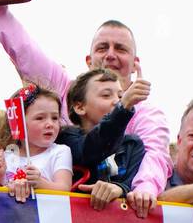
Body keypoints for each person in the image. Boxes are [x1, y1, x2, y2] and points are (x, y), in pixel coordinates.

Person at [0, 0, 169, 217]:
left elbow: (155, 157)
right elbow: (25, 50)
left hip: (121, 222)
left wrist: (140, 191)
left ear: (136, 63)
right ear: (88, 61)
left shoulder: (147, 113)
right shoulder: (63, 88)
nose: (111, 55)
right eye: (102, 48)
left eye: (121, 49)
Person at [57, 67, 146, 210]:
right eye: (106, 95)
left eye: (120, 96)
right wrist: (122, 108)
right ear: (79, 107)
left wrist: (119, 189)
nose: (117, 101)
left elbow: (136, 186)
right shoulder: (66, 139)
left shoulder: (133, 144)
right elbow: (91, 148)